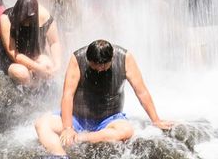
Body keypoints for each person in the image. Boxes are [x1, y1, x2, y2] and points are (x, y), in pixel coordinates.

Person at [34, 39, 172, 155]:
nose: (99, 69)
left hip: (109, 120)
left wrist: (156, 120)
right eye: (94, 66)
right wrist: (68, 128)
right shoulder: (77, 58)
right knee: (41, 124)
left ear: (111, 59)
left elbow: (141, 91)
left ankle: (82, 138)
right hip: (78, 119)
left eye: (103, 66)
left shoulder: (125, 58)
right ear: (88, 59)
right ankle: (59, 155)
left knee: (126, 130)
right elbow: (67, 95)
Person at [0, 0, 61, 86]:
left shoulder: (44, 17)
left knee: (48, 64)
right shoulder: (6, 18)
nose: (25, 22)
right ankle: (30, 91)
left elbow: (54, 42)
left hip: (35, 56)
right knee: (21, 73)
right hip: (12, 61)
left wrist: (57, 64)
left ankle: (38, 88)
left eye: (28, 19)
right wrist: (38, 68)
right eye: (23, 19)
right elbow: (12, 53)